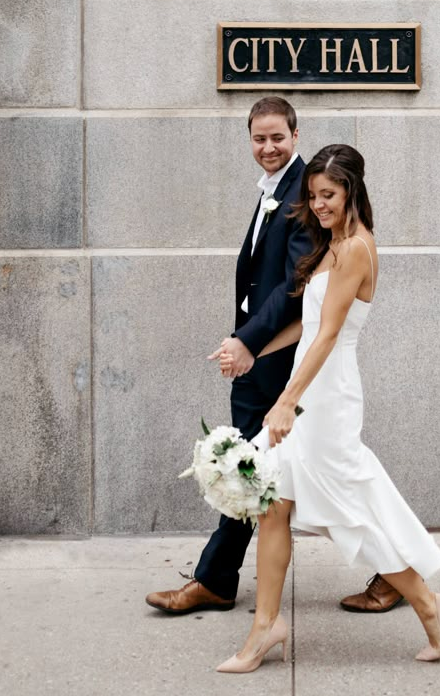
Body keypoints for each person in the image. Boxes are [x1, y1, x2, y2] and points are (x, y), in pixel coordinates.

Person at [215, 144, 440, 673]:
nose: (319, 204)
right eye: (312, 195)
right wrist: (248, 350)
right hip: (311, 386)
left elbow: (330, 334)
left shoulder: (356, 248)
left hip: (327, 398)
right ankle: (266, 627)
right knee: (273, 504)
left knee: (349, 515)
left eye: (327, 194)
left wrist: (287, 402)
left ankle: (430, 604)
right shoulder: (329, 245)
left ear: (351, 190)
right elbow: (306, 325)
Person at [145, 96, 311, 614]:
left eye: (277, 138)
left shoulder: (304, 192)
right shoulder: (274, 189)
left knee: (254, 464)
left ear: (295, 136)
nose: (268, 147)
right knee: (253, 466)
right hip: (260, 353)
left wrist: (247, 343)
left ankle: (214, 579)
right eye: (259, 139)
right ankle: (215, 578)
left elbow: (292, 287)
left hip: (275, 360)